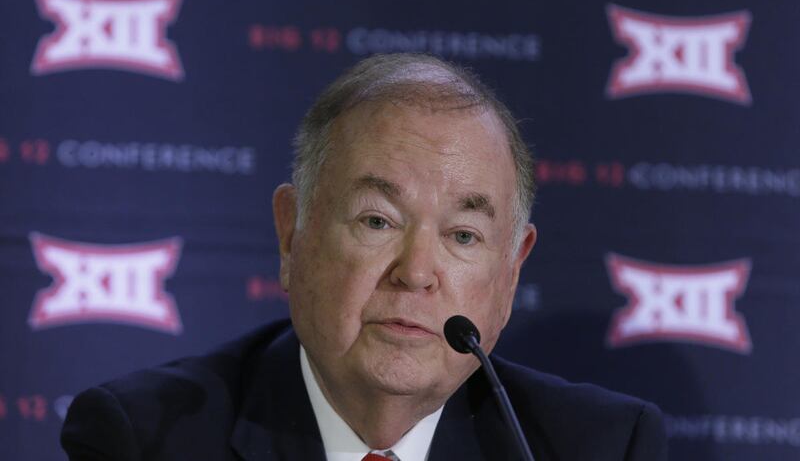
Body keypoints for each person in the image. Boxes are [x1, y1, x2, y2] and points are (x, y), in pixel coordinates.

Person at [61, 53, 668, 460]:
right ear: (292, 233)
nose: (417, 273)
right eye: (378, 221)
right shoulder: (145, 439)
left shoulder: (597, 448)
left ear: (511, 274)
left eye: (463, 236)